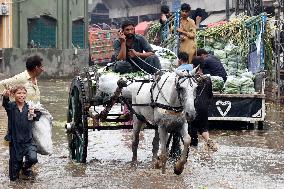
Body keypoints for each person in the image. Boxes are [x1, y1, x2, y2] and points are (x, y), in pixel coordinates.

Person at [2, 85, 42, 181]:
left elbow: (38, 116)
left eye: (24, 93)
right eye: (19, 93)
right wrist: (6, 96)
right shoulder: (11, 107)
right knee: (13, 177)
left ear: (26, 94)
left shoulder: (30, 106)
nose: (21, 95)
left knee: (33, 158)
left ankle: (25, 167)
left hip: (28, 140)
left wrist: (34, 114)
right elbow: (5, 103)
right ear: (14, 94)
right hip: (15, 142)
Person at [189, 56, 218, 151]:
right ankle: (208, 140)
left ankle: (194, 150)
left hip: (193, 107)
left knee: (192, 128)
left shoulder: (191, 78)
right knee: (203, 128)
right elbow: (210, 95)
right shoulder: (208, 79)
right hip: (204, 107)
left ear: (194, 66)